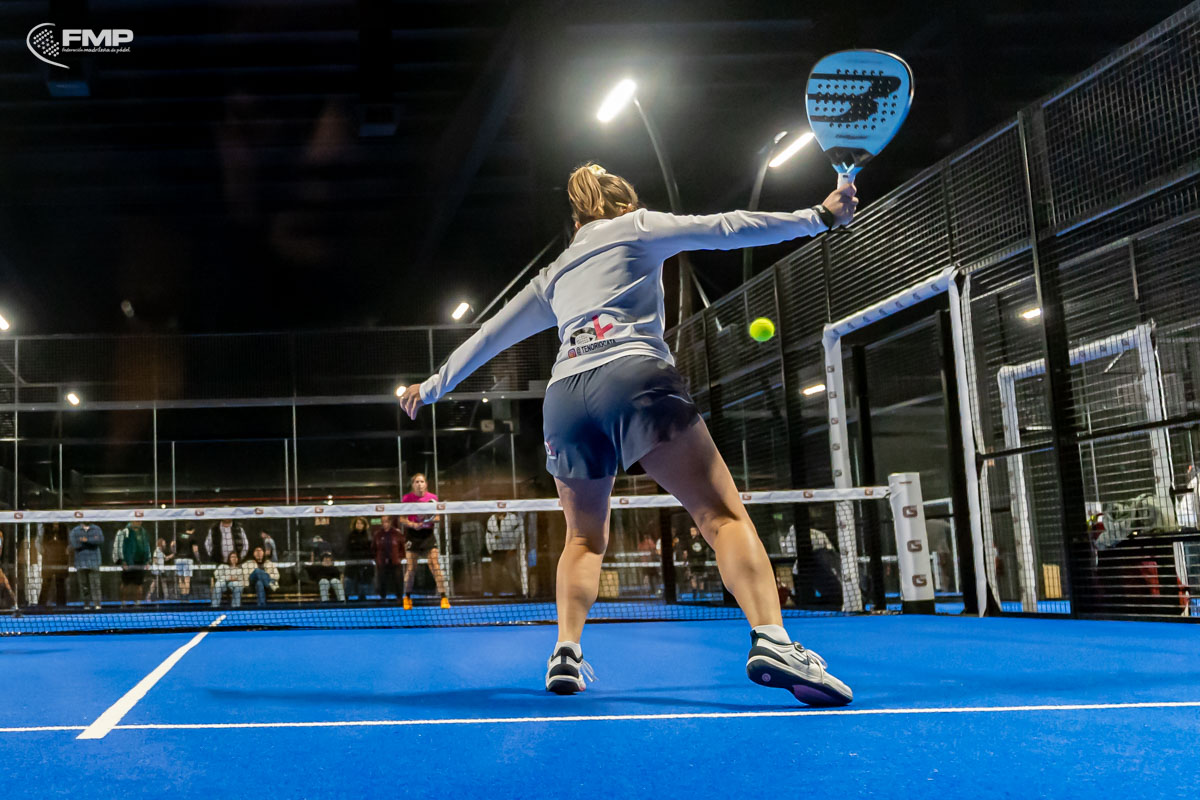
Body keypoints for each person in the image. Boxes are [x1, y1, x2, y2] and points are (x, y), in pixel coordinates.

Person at [399, 163, 857, 705]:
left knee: (582, 539)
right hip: (633, 376)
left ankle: (566, 651)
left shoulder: (554, 273)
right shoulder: (637, 226)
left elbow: (490, 335)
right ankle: (773, 641)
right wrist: (819, 216)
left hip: (565, 399)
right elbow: (726, 227)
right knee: (721, 517)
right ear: (623, 206)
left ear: (576, 223)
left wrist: (431, 387)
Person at [400, 473, 449, 609]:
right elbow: (402, 519)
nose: (419, 484)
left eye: (422, 482)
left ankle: (444, 598)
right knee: (411, 568)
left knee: (435, 564)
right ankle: (407, 597)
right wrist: (413, 524)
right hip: (412, 535)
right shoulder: (407, 499)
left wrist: (426, 520)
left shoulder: (433, 498)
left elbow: (437, 518)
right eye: (417, 482)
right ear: (413, 485)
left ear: (426, 484)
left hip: (428, 535)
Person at [113, 520, 152, 606]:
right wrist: (122, 560)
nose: (139, 522)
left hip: (140, 563)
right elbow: (119, 546)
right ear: (132, 520)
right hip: (128, 562)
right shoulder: (124, 532)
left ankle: (137, 604)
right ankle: (123, 603)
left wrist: (148, 560)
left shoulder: (143, 532)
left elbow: (147, 546)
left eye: (140, 521)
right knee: (125, 584)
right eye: (137, 521)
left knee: (139, 584)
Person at [486, 511, 524, 596]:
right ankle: (495, 595)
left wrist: (513, 548)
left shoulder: (512, 518)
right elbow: (488, 536)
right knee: (495, 575)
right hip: (496, 552)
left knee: (513, 574)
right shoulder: (491, 519)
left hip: (509, 551)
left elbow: (518, 534)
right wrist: (490, 550)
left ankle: (520, 594)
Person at [69, 521, 104, 610]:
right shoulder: (75, 530)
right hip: (81, 563)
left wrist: (85, 540)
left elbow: (100, 541)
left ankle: (97, 605)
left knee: (96, 585)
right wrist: (92, 542)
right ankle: (86, 605)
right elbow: (75, 545)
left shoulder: (97, 529)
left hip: (94, 563)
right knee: (84, 586)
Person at [371, 515, 404, 601]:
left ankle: (399, 597)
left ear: (390, 522)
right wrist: (377, 559)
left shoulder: (397, 534)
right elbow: (374, 548)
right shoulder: (377, 534)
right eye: (383, 522)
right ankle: (383, 597)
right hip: (382, 562)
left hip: (395, 561)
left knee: (398, 579)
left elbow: (402, 547)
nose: (384, 524)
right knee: (382, 580)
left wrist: (400, 557)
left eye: (386, 521)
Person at [39, 523, 71, 607]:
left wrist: (67, 552)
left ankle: (61, 604)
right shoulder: (45, 529)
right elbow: (39, 543)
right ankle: (42, 604)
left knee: (60, 582)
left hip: (61, 560)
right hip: (48, 560)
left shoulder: (65, 529)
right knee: (46, 583)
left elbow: (69, 544)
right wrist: (43, 552)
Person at [344, 516, 374, 600]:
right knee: (349, 579)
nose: (359, 525)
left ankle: (362, 597)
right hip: (352, 562)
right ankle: (346, 597)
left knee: (363, 581)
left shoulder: (368, 536)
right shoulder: (350, 536)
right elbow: (348, 548)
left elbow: (370, 549)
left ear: (364, 525)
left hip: (364, 562)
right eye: (357, 523)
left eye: (361, 523)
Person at [173, 523, 201, 600]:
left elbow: (172, 544)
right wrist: (198, 560)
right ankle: (186, 597)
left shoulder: (179, 535)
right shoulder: (193, 537)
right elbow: (195, 550)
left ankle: (182, 595)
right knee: (187, 579)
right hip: (188, 559)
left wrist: (174, 553)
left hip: (178, 559)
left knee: (180, 578)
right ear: (193, 529)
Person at [145, 538, 173, 602]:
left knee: (163, 582)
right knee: (154, 583)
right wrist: (160, 564)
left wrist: (172, 555)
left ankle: (166, 597)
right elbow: (155, 560)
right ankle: (148, 596)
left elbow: (165, 558)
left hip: (160, 570)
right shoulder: (157, 550)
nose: (165, 543)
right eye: (164, 542)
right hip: (156, 570)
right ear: (161, 543)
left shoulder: (161, 552)